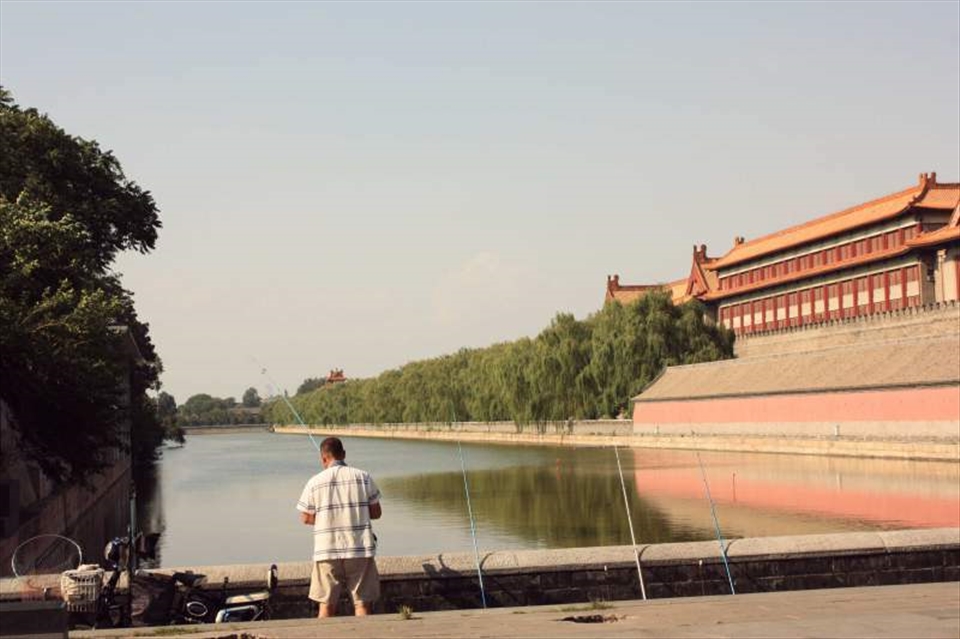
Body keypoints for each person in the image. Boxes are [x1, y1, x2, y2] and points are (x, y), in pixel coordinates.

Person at [296, 437, 382, 618]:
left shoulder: (314, 482)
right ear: (343, 454)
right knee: (362, 605)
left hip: (326, 550)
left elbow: (305, 518)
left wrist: (327, 519)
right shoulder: (363, 477)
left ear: (323, 459)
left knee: (326, 606)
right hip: (359, 549)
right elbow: (376, 513)